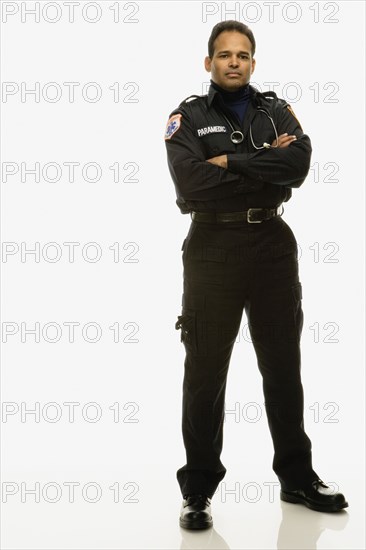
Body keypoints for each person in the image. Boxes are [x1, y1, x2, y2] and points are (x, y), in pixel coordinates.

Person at [164, 20, 348, 530]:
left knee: (284, 366)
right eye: (224, 55)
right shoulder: (188, 117)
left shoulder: (277, 109)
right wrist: (265, 160)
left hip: (272, 246)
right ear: (209, 63)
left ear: (253, 62)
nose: (234, 62)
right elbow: (191, 182)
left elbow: (299, 164)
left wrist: (233, 161)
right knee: (205, 373)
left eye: (243, 55)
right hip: (212, 249)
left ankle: (297, 477)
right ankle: (197, 489)